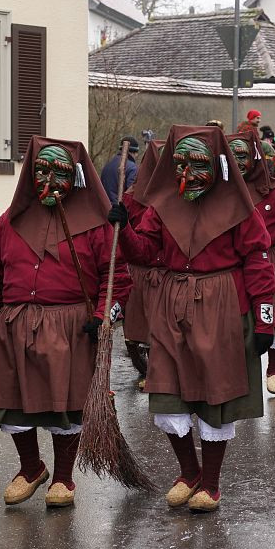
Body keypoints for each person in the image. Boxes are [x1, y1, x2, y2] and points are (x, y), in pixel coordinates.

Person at [110, 124, 275, 512]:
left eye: (197, 163)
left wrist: (265, 319)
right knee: (168, 392)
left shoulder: (239, 208)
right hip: (171, 305)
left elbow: (258, 263)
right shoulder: (163, 204)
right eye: (180, 162)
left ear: (217, 167)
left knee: (213, 395)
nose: (187, 172)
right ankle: (189, 472)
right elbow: (144, 251)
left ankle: (212, 484)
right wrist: (121, 227)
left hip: (220, 307)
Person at [0, 137, 131, 508]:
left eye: (59, 173)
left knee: (66, 407)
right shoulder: (8, 222)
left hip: (71, 328)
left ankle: (63, 478)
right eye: (41, 171)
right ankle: (30, 467)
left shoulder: (96, 226)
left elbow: (117, 281)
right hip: (14, 326)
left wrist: (102, 318)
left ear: (75, 177)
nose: (48, 179)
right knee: (13, 404)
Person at [228, 130, 275, 394]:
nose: (237, 160)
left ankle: (274, 367)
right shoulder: (223, 191)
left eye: (242, 155)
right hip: (237, 261)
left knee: (274, 314)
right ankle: (244, 370)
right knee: (240, 315)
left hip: (272, 258)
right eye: (231, 155)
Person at [121, 140, 165, 389]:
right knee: (141, 326)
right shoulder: (131, 198)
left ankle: (163, 372)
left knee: (164, 327)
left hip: (167, 272)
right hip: (141, 271)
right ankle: (147, 369)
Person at [100, 136, 139, 205]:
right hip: (120, 212)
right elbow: (131, 195)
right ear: (134, 152)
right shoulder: (132, 168)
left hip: (104, 209)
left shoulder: (107, 166)